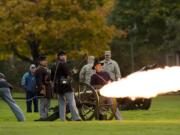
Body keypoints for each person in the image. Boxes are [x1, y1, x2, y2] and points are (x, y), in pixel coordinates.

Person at [51, 51, 81, 121]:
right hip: (66, 86)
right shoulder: (63, 64)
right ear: (60, 57)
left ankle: (62, 119)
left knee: (61, 103)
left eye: (65, 55)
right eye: (63, 55)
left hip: (58, 87)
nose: (64, 57)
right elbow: (68, 75)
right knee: (72, 102)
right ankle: (76, 117)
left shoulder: (54, 65)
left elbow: (52, 78)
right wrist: (73, 72)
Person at [34, 55, 52, 121]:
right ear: (40, 61)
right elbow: (39, 81)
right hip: (44, 88)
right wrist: (41, 89)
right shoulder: (39, 69)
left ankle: (46, 116)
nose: (46, 62)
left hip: (48, 88)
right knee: (43, 104)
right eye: (45, 60)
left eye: (46, 60)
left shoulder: (45, 69)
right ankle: (42, 117)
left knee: (47, 104)